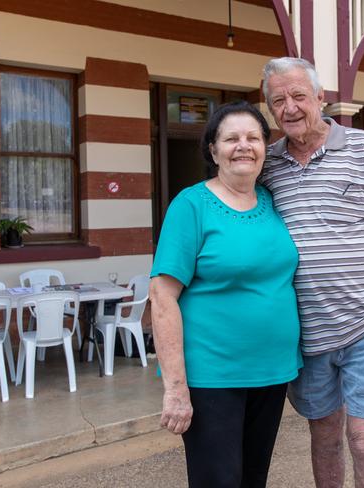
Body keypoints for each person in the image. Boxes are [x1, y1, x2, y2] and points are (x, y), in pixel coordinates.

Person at [259, 57, 364, 488]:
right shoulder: (268, 165)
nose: (290, 108)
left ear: (320, 98)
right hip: (306, 329)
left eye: (298, 96)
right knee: (324, 436)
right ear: (269, 109)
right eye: (278, 101)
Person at [149, 100, 302, 487]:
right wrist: (175, 388)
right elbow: (162, 297)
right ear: (213, 150)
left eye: (253, 137)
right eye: (231, 138)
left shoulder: (272, 202)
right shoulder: (191, 205)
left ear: (266, 148)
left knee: (253, 479)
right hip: (213, 376)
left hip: (271, 372)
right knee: (218, 480)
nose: (243, 146)